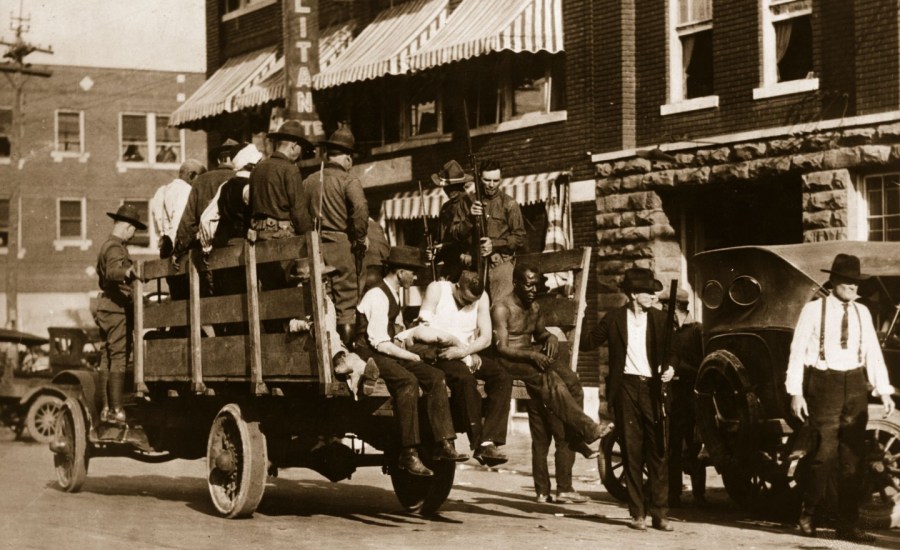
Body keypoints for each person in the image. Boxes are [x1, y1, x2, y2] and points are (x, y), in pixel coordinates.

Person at [787, 253, 895, 543]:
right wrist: (795, 392)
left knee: (852, 459)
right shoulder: (813, 310)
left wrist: (883, 390)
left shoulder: (862, 312)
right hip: (824, 384)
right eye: (847, 282)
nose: (853, 288)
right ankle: (808, 512)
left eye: (856, 283)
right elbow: (797, 352)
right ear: (834, 281)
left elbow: (873, 352)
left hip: (855, 384)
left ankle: (847, 524)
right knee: (823, 455)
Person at [492, 265, 606, 503]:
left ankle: (577, 434)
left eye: (536, 284)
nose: (533, 290)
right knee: (549, 378)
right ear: (515, 283)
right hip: (509, 361)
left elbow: (541, 334)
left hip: (531, 355)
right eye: (528, 284)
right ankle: (587, 430)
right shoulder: (502, 308)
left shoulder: (534, 307)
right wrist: (533, 356)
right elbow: (501, 348)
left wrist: (551, 336)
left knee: (573, 380)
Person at [355, 246, 468, 476]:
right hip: (370, 353)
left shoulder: (393, 293)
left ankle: (443, 443)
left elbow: (393, 338)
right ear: (399, 272)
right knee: (407, 382)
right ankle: (408, 452)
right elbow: (378, 342)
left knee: (436, 376)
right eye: (412, 272)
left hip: (387, 348)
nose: (415, 277)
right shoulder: (377, 295)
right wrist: (410, 355)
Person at [580, 267, 676, 532]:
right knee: (632, 452)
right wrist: (580, 311)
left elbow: (674, 352)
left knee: (658, 451)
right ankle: (638, 513)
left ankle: (660, 513)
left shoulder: (660, 319)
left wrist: (671, 368)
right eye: (648, 292)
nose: (654, 296)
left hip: (654, 390)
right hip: (626, 389)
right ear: (634, 294)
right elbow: (588, 342)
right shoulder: (613, 319)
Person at [417, 270, 513, 466]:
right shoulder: (437, 289)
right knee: (464, 379)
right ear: (457, 286)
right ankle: (477, 441)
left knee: (502, 377)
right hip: (440, 351)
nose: (468, 304)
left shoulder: (481, 297)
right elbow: (424, 328)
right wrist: (457, 351)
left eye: (472, 301)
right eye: (464, 299)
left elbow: (485, 337)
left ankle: (488, 441)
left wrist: (465, 352)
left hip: (466, 353)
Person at [302, 124, 368, 344]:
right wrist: (359, 239)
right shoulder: (349, 180)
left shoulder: (309, 181)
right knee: (345, 304)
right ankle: (346, 355)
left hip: (314, 246)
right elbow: (360, 209)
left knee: (322, 299)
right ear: (348, 159)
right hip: (341, 245)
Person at [95, 204, 146, 423]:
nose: (134, 235)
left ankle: (105, 409)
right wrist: (128, 271)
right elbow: (113, 272)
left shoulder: (107, 245)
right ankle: (116, 410)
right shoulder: (116, 248)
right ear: (127, 227)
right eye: (134, 230)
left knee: (106, 356)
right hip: (116, 309)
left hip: (106, 306)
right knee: (118, 357)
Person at [454, 159, 526, 303]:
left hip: (500, 267)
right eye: (487, 180)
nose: (491, 185)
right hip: (473, 267)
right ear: (479, 178)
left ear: (501, 179)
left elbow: (520, 237)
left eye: (496, 180)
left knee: (499, 308)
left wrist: (494, 244)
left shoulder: (509, 204)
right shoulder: (467, 202)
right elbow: (456, 234)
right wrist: (469, 218)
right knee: (471, 311)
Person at [664, 289, 706, 507]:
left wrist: (678, 368)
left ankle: (699, 495)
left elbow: (704, 365)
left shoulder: (697, 331)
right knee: (673, 446)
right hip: (674, 397)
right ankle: (674, 494)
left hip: (692, 396)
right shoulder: (668, 332)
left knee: (694, 446)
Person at [172, 138, 239, 260]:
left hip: (207, 253)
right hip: (237, 251)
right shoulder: (242, 179)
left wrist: (178, 250)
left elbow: (187, 223)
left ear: (219, 160)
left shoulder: (200, 181)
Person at [150, 159, 206, 299]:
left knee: (177, 296)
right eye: (200, 178)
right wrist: (178, 251)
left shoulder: (162, 191)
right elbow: (180, 222)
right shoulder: (186, 191)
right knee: (189, 297)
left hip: (166, 250)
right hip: (181, 252)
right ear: (191, 175)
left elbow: (158, 225)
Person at [249, 119, 314, 240]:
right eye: (301, 147)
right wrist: (310, 234)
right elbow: (299, 212)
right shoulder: (290, 169)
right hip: (282, 236)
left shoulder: (257, 168)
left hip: (258, 235)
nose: (300, 153)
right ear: (294, 145)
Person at [431, 160, 475, 282]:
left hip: (467, 266)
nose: (449, 191)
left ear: (462, 185)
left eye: (453, 187)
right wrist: (434, 250)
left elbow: (472, 236)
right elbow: (440, 238)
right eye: (446, 188)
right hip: (449, 266)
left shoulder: (471, 204)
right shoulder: (445, 208)